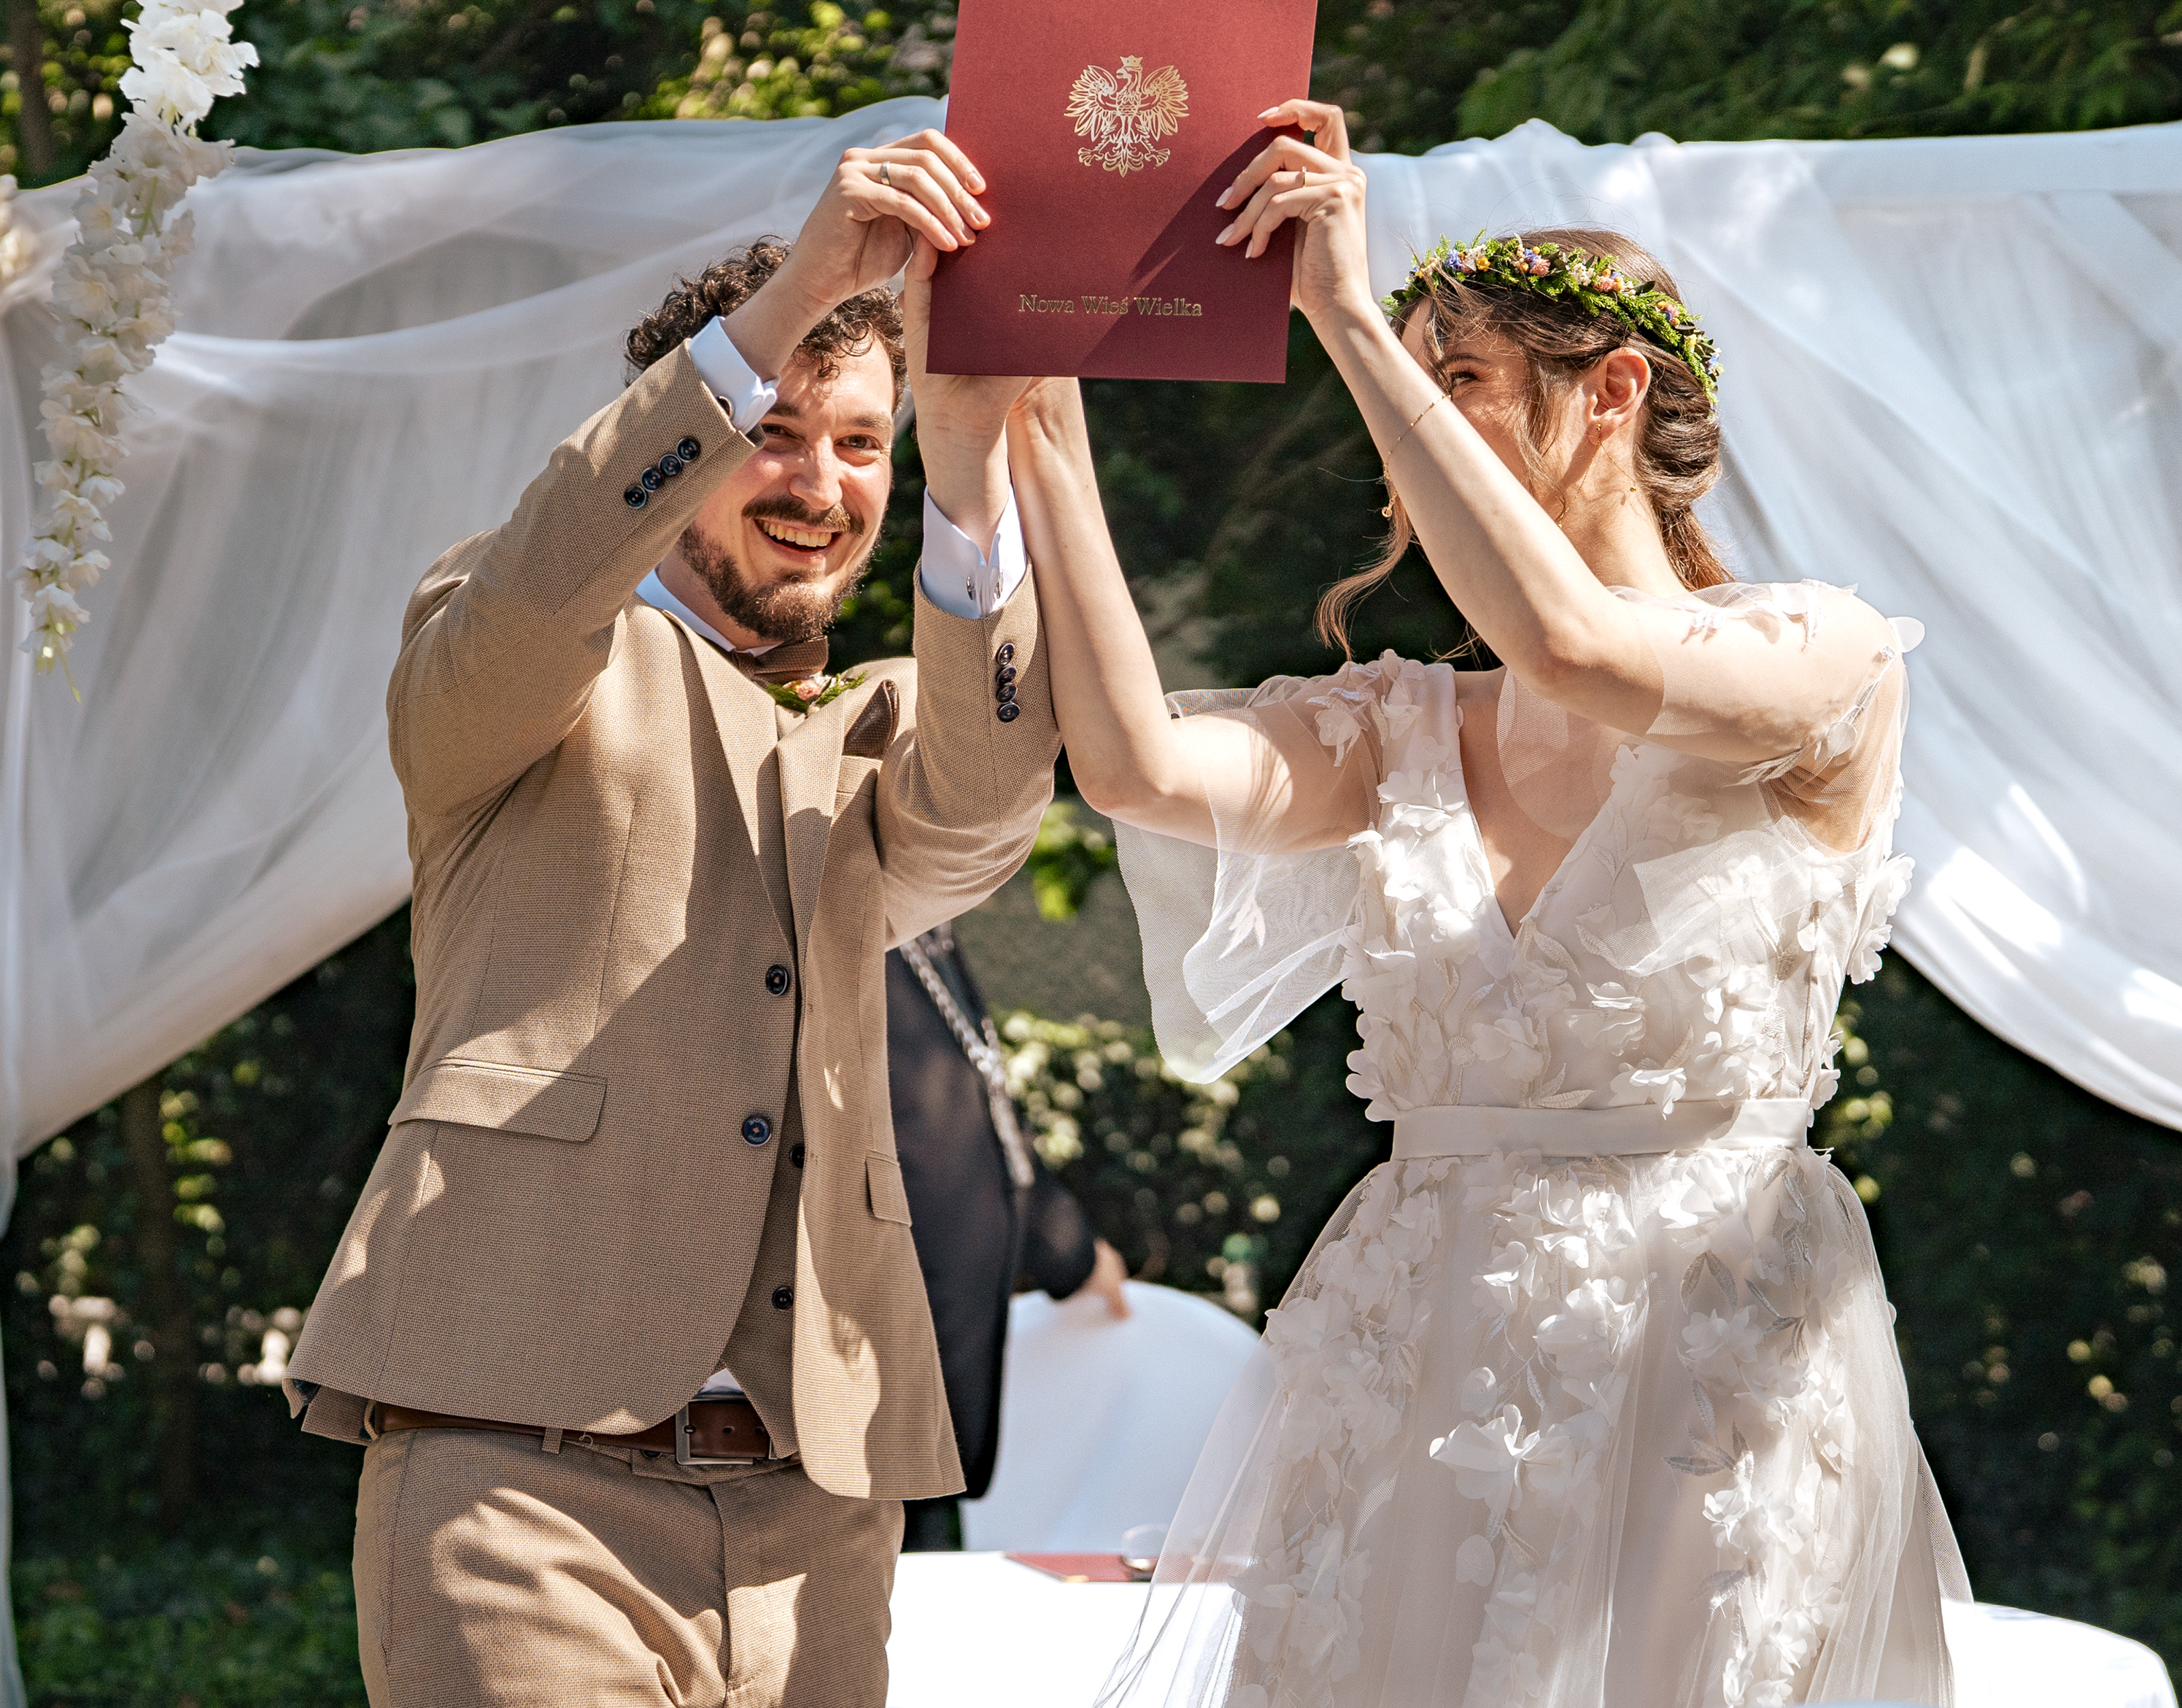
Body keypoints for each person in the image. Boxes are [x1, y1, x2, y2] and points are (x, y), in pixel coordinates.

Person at [1002, 101, 1964, 1706]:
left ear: (1615, 393)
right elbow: (1133, 766)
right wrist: (1036, 409)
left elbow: (1577, 645)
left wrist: (1343, 312)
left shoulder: (1820, 657)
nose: (1406, 441)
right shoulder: (1405, 731)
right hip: (1417, 1360)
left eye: (1458, 382)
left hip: (1706, 1362)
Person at [283, 129, 1063, 1708]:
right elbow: (556, 563)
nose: (822, 485)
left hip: (816, 1506)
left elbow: (988, 808)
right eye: (775, 432)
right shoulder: (513, 637)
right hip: (518, 1478)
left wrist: (977, 461)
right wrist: (804, 287)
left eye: (864, 444)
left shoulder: (883, 723)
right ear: (693, 433)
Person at [886, 921, 1132, 1551]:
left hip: (936, 1372)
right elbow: (935, 1137)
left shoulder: (923, 934)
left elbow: (985, 1120)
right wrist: (1068, 1249)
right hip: (883, 1364)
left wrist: (1071, 1250)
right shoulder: (863, 935)